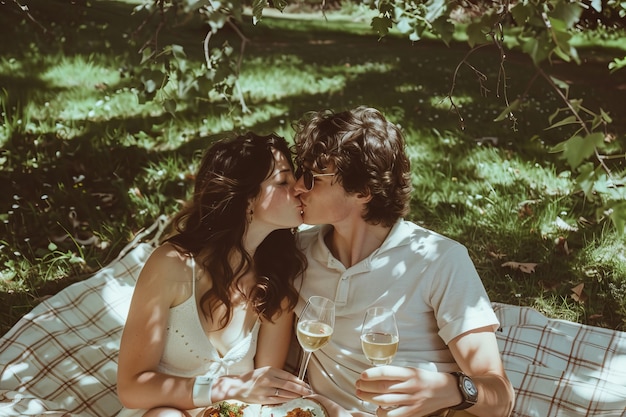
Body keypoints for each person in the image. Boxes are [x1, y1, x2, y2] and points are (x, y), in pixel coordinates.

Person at [291, 106, 515, 417]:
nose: (298, 187)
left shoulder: (439, 260)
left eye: (312, 177)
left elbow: (500, 398)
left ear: (362, 191)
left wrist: (451, 388)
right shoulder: (297, 251)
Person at [116, 132, 312, 417]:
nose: (298, 188)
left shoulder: (277, 280)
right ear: (247, 200)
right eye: (282, 181)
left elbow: (265, 390)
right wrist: (229, 386)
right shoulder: (172, 266)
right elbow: (132, 388)